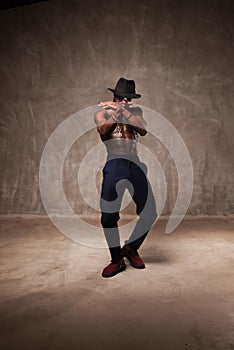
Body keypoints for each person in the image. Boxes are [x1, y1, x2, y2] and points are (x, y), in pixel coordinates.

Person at [94, 77, 157, 278]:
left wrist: (123, 110)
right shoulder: (101, 113)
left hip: (135, 163)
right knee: (108, 217)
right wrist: (116, 110)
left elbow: (143, 129)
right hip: (115, 163)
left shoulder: (135, 114)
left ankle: (130, 248)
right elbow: (104, 130)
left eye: (129, 99)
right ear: (116, 96)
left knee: (149, 212)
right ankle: (116, 259)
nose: (126, 102)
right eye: (124, 98)